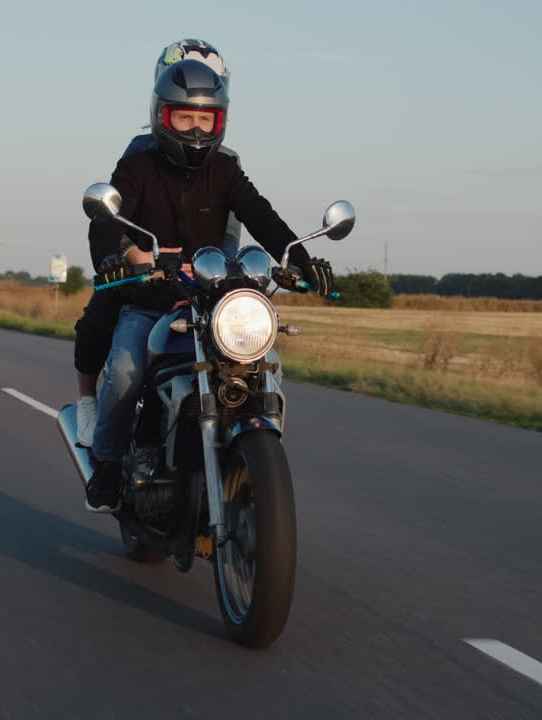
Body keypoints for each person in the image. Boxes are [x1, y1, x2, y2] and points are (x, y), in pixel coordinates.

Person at [83, 59, 336, 512]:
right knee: (124, 371)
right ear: (163, 116)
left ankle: (250, 458)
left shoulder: (223, 170)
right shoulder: (138, 166)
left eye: (206, 118)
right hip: (150, 300)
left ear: (220, 120)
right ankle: (106, 463)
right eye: (185, 116)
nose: (196, 128)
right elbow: (106, 220)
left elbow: (260, 214)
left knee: (261, 362)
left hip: (210, 302)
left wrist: (300, 257)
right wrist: (120, 258)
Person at [73, 39, 242, 448]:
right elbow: (116, 216)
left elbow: (233, 227)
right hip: (147, 274)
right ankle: (88, 406)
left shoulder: (225, 161)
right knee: (104, 315)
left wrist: (224, 268)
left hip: (201, 280)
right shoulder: (140, 152)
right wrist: (131, 255)